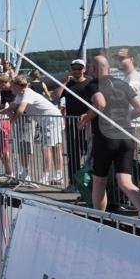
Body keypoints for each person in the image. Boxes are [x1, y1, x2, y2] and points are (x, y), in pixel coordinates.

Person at [79, 56, 140, 218]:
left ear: (94, 69)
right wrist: (123, 119)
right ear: (109, 68)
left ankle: (99, 217)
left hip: (105, 138)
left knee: (99, 181)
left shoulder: (93, 84)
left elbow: (100, 103)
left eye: (90, 68)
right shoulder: (123, 84)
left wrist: (86, 118)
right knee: (125, 182)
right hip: (126, 137)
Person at [1, 75, 64, 185]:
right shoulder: (20, 95)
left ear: (18, 86)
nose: (11, 88)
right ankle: (58, 175)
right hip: (48, 120)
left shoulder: (27, 93)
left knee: (47, 148)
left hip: (51, 120)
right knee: (54, 147)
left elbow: (20, 110)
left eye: (12, 86)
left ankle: (46, 177)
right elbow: (11, 108)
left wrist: (12, 120)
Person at [52, 58, 92, 186]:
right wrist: (65, 82)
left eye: (79, 68)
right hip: (72, 124)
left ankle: (91, 183)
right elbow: (54, 96)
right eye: (74, 69)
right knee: (73, 155)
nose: (76, 71)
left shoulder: (90, 83)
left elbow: (97, 102)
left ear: (84, 70)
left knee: (90, 153)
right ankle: (73, 183)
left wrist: (88, 115)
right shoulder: (68, 85)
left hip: (88, 123)